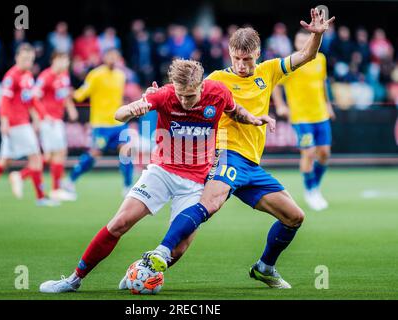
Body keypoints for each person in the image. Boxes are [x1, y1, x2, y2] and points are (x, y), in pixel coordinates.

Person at [38, 59, 274, 293]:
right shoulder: (164, 95)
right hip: (162, 171)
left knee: (179, 248)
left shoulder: (218, 92)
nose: (184, 101)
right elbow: (119, 114)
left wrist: (252, 118)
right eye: (180, 95)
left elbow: (235, 111)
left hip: (195, 182)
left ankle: (141, 271)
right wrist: (133, 109)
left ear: (202, 85)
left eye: (190, 96)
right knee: (120, 223)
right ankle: (73, 279)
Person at [141, 8, 335, 289]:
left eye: (247, 59)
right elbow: (187, 90)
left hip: (251, 166)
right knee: (208, 207)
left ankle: (265, 267)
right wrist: (155, 95)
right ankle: (157, 254)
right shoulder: (217, 79)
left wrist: (315, 36)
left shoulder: (269, 71)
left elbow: (306, 56)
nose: (242, 65)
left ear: (257, 54)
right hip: (225, 153)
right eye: (236, 58)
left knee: (294, 217)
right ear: (229, 53)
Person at [0, 43, 58, 207]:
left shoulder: (27, 76)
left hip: (20, 123)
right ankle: (41, 197)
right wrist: (4, 122)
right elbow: (4, 101)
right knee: (36, 158)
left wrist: (40, 117)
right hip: (17, 124)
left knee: (4, 161)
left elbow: (31, 100)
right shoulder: (11, 76)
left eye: (31, 59)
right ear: (17, 57)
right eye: (25, 58)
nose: (28, 62)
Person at [272, 29, 335, 211]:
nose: (302, 44)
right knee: (308, 153)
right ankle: (310, 191)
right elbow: (275, 84)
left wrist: (328, 105)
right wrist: (281, 105)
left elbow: (323, 83)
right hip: (301, 117)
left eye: (305, 41)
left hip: (321, 115)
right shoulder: (291, 63)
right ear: (295, 43)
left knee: (324, 154)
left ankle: (315, 185)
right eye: (299, 41)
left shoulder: (320, 59)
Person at [62, 48, 134, 197]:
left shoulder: (121, 76)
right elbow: (81, 94)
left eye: (115, 56)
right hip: (101, 124)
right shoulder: (95, 75)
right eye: (110, 56)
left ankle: (128, 187)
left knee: (126, 152)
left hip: (119, 124)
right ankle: (69, 181)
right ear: (104, 58)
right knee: (94, 154)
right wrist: (71, 94)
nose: (113, 59)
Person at [9, 52, 79, 202]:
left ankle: (21, 176)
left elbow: (64, 95)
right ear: (55, 60)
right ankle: (55, 189)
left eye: (67, 61)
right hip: (48, 120)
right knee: (57, 153)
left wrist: (71, 108)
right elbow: (34, 97)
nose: (66, 64)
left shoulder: (64, 75)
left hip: (57, 119)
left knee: (51, 155)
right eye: (63, 60)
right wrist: (38, 117)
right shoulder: (45, 77)